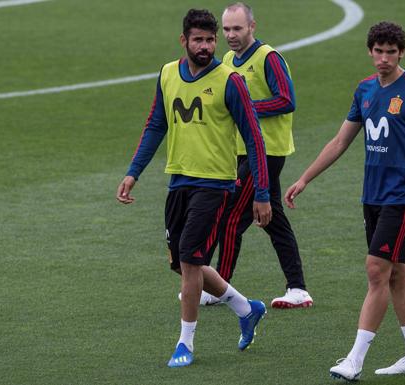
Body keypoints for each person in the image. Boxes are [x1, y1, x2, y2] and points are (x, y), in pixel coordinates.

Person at [284, 21, 405, 380]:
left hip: (402, 199)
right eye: (379, 51)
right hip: (372, 197)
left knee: (377, 270)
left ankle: (354, 360)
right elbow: (340, 141)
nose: (385, 58)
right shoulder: (365, 90)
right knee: (396, 274)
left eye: (392, 52)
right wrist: (304, 178)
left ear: (401, 52)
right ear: (370, 52)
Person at [116, 8, 272, 368]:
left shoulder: (230, 80)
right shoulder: (168, 74)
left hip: (215, 184)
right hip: (179, 181)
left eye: (210, 39)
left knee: (190, 258)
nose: (205, 46)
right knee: (182, 263)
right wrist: (133, 171)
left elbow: (254, 139)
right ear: (183, 40)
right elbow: (157, 123)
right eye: (198, 39)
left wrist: (261, 194)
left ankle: (184, 344)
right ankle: (246, 309)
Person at [199, 2, 312, 309]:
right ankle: (298, 288)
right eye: (226, 29)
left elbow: (287, 100)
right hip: (240, 151)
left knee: (231, 219)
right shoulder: (226, 59)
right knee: (273, 218)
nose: (231, 35)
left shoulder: (268, 58)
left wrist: (245, 109)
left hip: (267, 152)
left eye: (237, 28)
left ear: (252, 27)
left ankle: (218, 288)